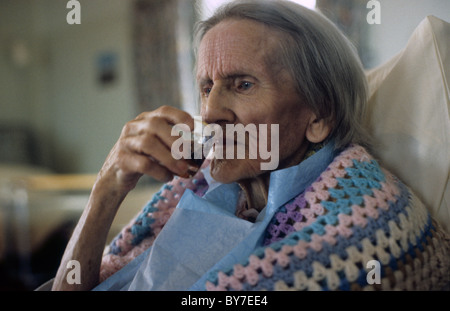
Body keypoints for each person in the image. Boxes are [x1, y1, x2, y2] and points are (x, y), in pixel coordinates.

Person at [51, 0, 450, 291]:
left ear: (319, 117)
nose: (212, 111)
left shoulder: (364, 221)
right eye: (207, 87)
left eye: (242, 85)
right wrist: (107, 189)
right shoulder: (196, 185)